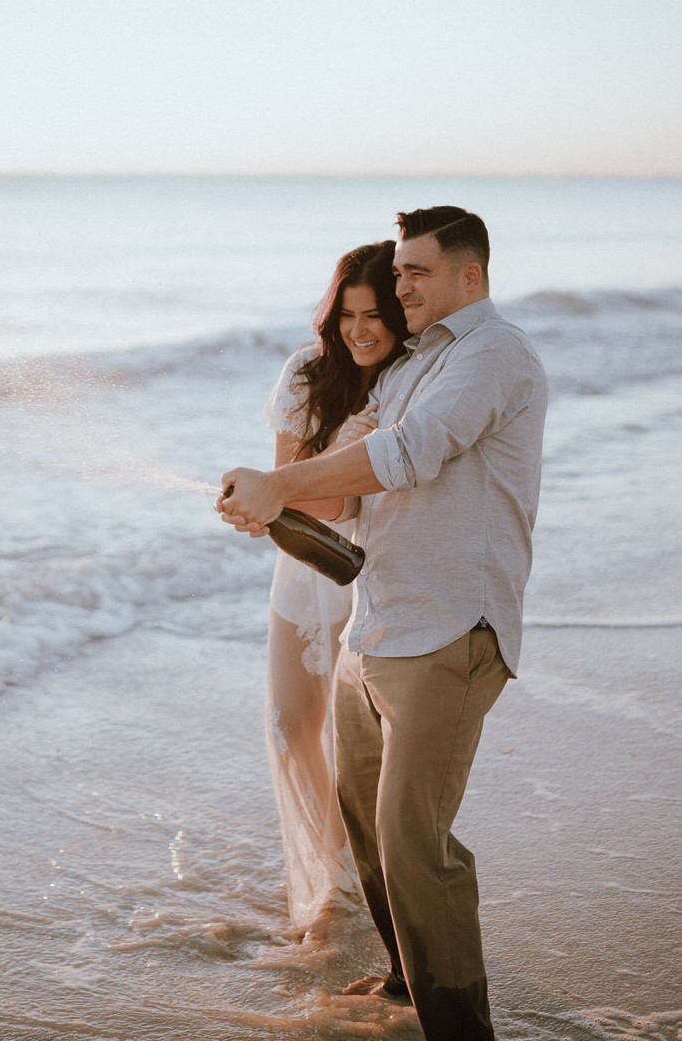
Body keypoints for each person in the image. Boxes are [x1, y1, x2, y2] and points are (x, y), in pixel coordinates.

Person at [217, 207, 548, 1041]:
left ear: (468, 276)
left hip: (449, 628)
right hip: (375, 628)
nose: (400, 287)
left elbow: (410, 452)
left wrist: (279, 486)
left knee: (413, 843)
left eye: (416, 273)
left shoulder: (492, 354)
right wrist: (266, 496)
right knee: (365, 822)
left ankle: (460, 1028)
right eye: (395, 272)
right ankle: (408, 979)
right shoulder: (410, 366)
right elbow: (351, 499)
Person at [263, 242, 408, 935]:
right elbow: (289, 491)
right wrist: (260, 502)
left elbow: (343, 499)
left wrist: (285, 495)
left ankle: (362, 879)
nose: (359, 330)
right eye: (347, 314)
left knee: (365, 747)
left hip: (378, 570)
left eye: (375, 314)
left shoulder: (409, 383)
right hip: (305, 565)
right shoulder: (306, 372)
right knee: (291, 726)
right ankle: (332, 869)